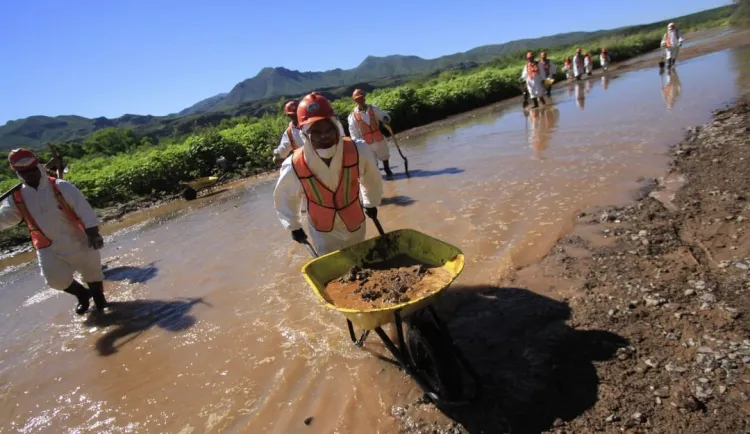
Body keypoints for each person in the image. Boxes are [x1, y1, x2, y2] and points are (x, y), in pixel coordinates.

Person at [274, 92, 383, 256]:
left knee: (361, 257)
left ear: (335, 126)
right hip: (323, 229)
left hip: (354, 220)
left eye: (328, 129)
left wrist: (370, 202)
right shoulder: (293, 165)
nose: (324, 136)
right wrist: (294, 226)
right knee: (334, 266)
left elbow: (371, 179)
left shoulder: (358, 150)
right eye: (316, 132)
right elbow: (286, 197)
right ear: (304, 133)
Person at [0, 149, 107, 315]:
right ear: (17, 173)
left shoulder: (60, 186)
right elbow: (7, 218)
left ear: (38, 166)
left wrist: (93, 233)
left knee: (92, 273)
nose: (29, 174)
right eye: (24, 172)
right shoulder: (16, 198)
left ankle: (100, 302)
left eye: (32, 169)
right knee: (55, 280)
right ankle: (82, 294)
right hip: (47, 245)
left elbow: (84, 210)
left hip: (78, 238)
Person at [347, 89, 393, 179]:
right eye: (357, 99)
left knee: (385, 156)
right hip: (366, 143)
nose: (360, 100)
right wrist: (356, 143)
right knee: (373, 162)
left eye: (361, 98)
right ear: (355, 101)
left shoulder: (373, 108)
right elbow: (353, 131)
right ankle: (379, 178)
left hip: (379, 138)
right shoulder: (352, 116)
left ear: (364, 98)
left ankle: (388, 171)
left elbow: (383, 115)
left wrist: (385, 119)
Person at [272, 100, 305, 167]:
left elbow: (283, 149)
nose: (296, 116)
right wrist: (278, 155)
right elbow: (284, 148)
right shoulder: (289, 132)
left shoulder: (310, 124)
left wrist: (277, 156)